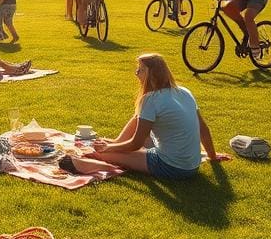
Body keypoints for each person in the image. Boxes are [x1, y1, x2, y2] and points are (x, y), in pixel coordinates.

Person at [63, 54, 230, 179]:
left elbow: (136, 143)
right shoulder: (184, 92)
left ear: (152, 74)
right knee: (138, 119)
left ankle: (86, 160)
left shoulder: (150, 100)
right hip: (192, 166)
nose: (136, 73)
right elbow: (203, 129)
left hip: (170, 167)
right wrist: (212, 156)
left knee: (103, 155)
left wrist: (109, 148)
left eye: (140, 70)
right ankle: (116, 143)